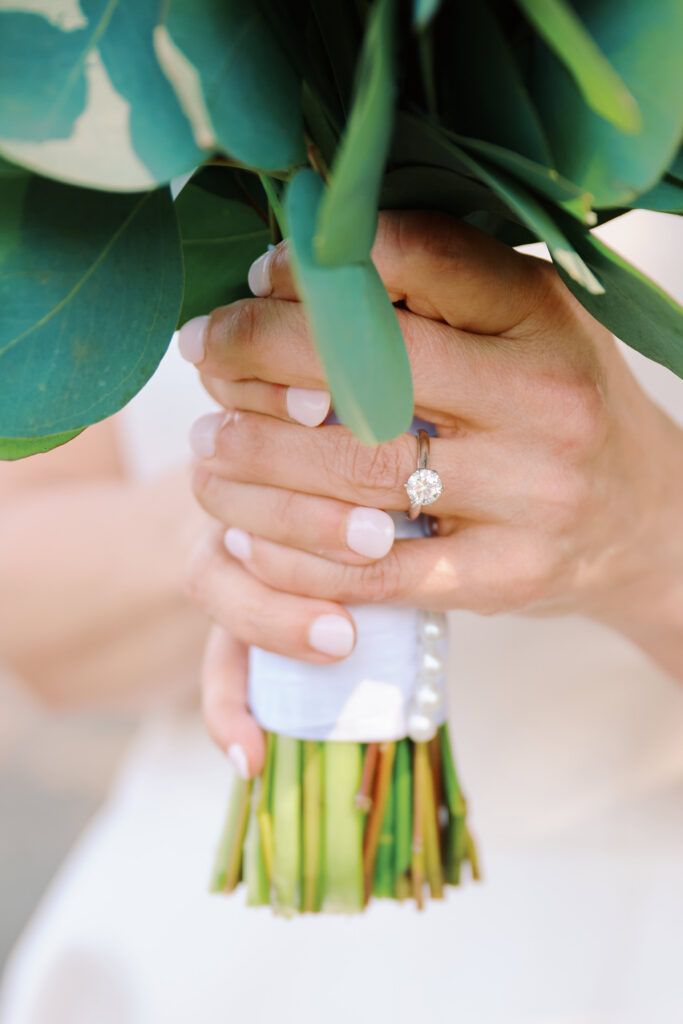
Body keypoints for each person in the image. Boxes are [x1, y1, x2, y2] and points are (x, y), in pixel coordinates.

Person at [1, 209, 682, 1024]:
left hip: (616, 945)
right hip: (198, 949)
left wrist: (648, 528)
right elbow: (26, 594)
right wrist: (266, 510)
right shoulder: (94, 101)